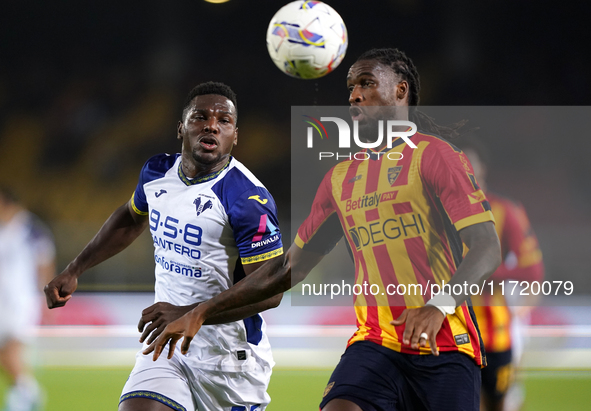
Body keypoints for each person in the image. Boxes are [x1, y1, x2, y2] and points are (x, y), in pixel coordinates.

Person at [146, 49, 502, 411]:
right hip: (374, 345)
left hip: (444, 346)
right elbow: (286, 270)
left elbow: (487, 248)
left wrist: (437, 306)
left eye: (366, 83)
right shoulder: (341, 178)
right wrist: (197, 311)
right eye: (350, 87)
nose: (353, 96)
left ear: (400, 91)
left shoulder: (436, 156)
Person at [43, 82, 285, 411]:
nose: (212, 124)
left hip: (229, 361)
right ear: (181, 127)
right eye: (200, 116)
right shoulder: (156, 172)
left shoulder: (247, 198)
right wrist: (75, 269)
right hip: (167, 347)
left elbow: (271, 291)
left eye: (224, 120)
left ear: (235, 135)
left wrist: (192, 313)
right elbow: (130, 217)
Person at [459, 140, 544, 411]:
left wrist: (485, 271)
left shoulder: (505, 211)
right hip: (450, 331)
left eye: (470, 163)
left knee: (501, 404)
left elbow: (532, 270)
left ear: (483, 168)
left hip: (495, 331)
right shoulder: (435, 213)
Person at [0, 186, 56, 411]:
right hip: (3, 300)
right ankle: (26, 389)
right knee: (4, 351)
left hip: (20, 300)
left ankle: (25, 393)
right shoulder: (4, 229)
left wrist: (47, 296)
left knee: (12, 346)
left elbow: (45, 260)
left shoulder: (29, 228)